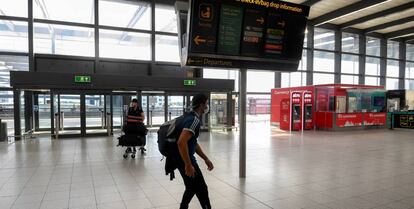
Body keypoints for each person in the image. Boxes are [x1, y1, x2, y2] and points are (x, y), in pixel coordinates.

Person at [175, 93, 213, 209]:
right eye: (206, 104)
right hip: (186, 160)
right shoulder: (194, 120)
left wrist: (205, 158)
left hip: (179, 158)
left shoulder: (189, 116)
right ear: (201, 105)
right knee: (202, 189)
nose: (207, 106)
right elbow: (181, 142)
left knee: (191, 187)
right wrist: (188, 164)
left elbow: (193, 143)